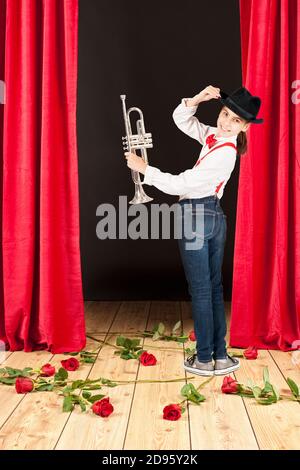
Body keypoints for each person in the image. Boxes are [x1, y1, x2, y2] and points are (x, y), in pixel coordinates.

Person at [124, 85, 263, 376]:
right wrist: (197, 99)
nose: (225, 122)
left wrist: (145, 170)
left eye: (235, 120)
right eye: (225, 114)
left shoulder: (225, 153)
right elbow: (182, 120)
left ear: (245, 127)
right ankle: (220, 357)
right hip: (212, 215)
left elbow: (183, 184)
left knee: (202, 290)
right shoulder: (216, 136)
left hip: (197, 216)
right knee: (212, 288)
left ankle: (203, 359)